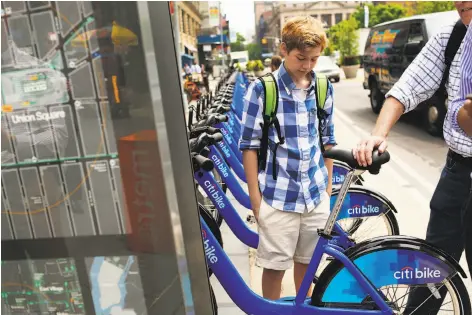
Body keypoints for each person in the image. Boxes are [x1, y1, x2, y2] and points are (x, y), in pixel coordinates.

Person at [353, 2, 471, 313]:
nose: (461, 4)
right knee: (430, 269)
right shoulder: (454, 36)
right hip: (457, 172)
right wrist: (379, 133)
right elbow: (407, 87)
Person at [239, 16, 336, 300]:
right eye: (301, 58)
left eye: (314, 59)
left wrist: (328, 189)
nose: (307, 65)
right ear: (284, 50)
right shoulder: (263, 90)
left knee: (307, 266)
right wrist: (256, 202)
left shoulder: (322, 88)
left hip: (316, 195)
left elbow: (327, 141)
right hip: (278, 199)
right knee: (273, 268)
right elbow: (249, 147)